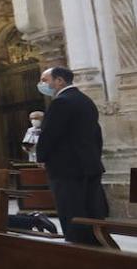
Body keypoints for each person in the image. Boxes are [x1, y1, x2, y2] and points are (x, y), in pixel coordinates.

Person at [36, 67, 108, 244]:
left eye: (45, 80)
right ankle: (96, 245)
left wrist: (41, 157)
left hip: (66, 168)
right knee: (91, 210)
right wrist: (94, 157)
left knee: (71, 211)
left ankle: (78, 249)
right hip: (89, 165)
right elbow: (96, 134)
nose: (42, 84)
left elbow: (50, 134)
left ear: (59, 81)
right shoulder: (85, 100)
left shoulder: (61, 102)